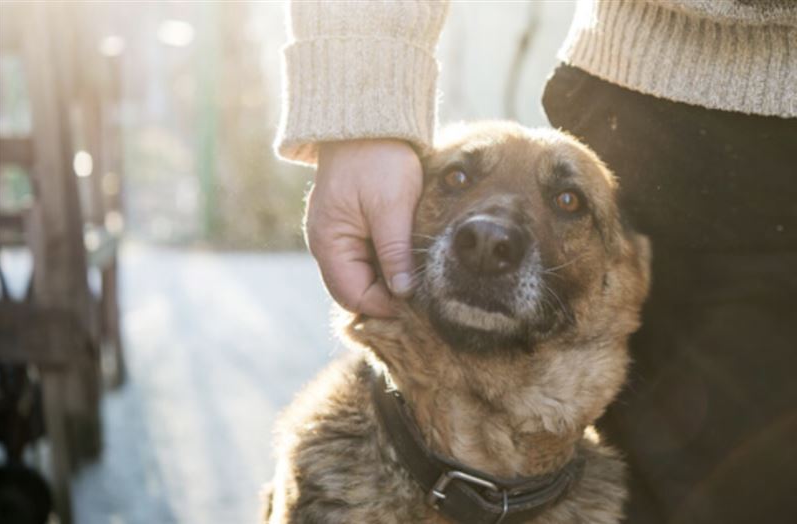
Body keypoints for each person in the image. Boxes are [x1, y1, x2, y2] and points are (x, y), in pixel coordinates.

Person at [274, 1, 797, 522]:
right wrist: (363, 108)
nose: (490, 236)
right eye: (456, 179)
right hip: (647, 103)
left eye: (567, 203)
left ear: (627, 272)